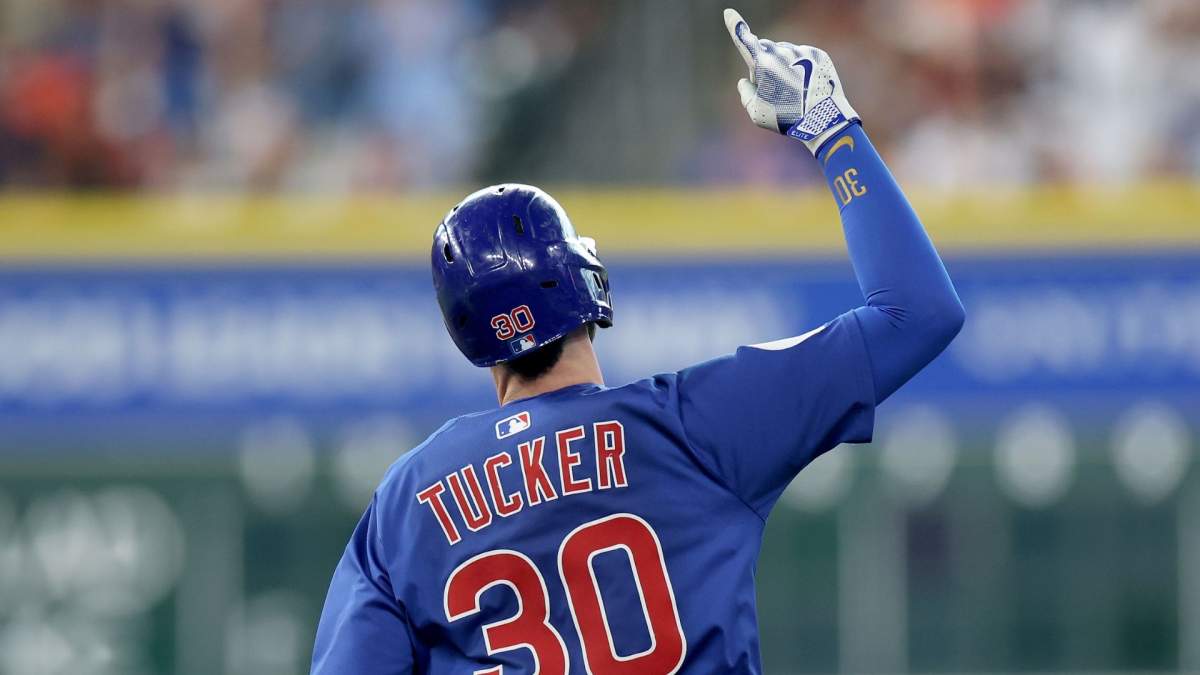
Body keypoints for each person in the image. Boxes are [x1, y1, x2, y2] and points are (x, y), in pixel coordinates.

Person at [311, 8, 964, 674]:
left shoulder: (408, 502)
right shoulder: (693, 423)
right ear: (583, 279)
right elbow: (919, 312)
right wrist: (831, 130)